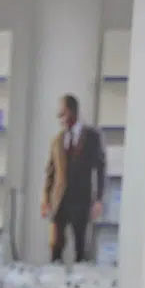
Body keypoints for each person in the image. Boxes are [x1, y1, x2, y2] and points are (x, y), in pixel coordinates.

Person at [43, 94, 106, 263]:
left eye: (62, 113)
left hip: (81, 200)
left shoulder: (92, 137)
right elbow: (50, 172)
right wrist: (46, 199)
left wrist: (98, 199)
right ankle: (54, 275)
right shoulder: (57, 140)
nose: (60, 118)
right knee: (56, 246)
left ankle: (79, 276)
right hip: (59, 200)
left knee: (80, 247)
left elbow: (100, 169)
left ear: (72, 112)